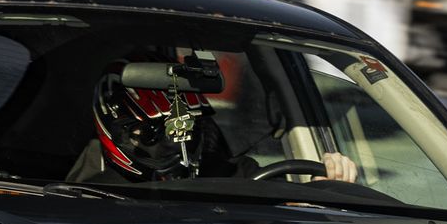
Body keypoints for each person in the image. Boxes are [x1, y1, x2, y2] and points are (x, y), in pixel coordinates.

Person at [79, 56, 359, 184]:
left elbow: (278, 208)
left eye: (187, 129)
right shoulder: (89, 195)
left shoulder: (234, 174)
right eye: (152, 133)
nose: (176, 143)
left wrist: (325, 188)